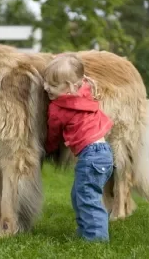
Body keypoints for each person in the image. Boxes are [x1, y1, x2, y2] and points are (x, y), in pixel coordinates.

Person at [44, 52, 114, 242]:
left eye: (53, 85)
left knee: (87, 198)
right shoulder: (84, 90)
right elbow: (77, 74)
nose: (46, 87)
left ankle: (96, 239)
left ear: (70, 87)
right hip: (104, 154)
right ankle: (87, 231)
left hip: (91, 157)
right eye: (45, 81)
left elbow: (53, 133)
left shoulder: (58, 107)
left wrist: (47, 148)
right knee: (80, 195)